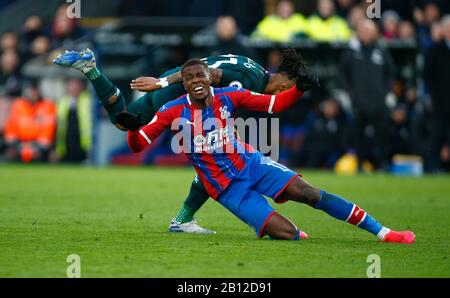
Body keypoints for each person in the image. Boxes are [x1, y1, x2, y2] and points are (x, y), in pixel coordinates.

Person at [125, 58, 414, 243]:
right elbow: (140, 145)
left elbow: (274, 105)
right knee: (288, 235)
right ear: (184, 84)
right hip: (227, 189)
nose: (196, 82)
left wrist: (299, 90)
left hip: (252, 164)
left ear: (209, 78)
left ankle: (383, 232)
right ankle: (275, 225)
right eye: (190, 79)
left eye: (200, 76)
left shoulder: (230, 96)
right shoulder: (170, 111)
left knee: (311, 194)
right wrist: (131, 131)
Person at [53, 48, 308, 234]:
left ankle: (91, 70)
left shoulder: (253, 66)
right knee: (212, 160)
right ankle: (183, 219)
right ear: (285, 83)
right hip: (179, 97)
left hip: (173, 83)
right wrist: (162, 83)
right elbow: (212, 74)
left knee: (124, 121)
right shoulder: (251, 80)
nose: (281, 94)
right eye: (286, 90)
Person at [339, 19, 396, 171]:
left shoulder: (381, 50)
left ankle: (383, 164)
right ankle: (360, 165)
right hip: (359, 101)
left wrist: (384, 92)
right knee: (359, 135)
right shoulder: (352, 51)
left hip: (378, 102)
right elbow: (343, 74)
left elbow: (391, 73)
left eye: (369, 31)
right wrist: (351, 92)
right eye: (363, 31)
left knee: (382, 134)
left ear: (374, 33)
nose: (366, 34)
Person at [3, 80, 56, 163]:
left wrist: (35, 147)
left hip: (40, 147)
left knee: (48, 155)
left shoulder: (48, 105)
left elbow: (48, 132)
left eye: (34, 90)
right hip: (18, 145)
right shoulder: (17, 104)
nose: (32, 93)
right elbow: (10, 129)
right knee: (9, 153)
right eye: (30, 90)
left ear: (39, 91)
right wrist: (19, 146)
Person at [424, 15, 450, 172]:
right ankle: (432, 167)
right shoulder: (434, 49)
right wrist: (433, 95)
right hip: (440, 101)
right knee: (437, 135)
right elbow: (427, 75)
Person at [54, 78, 93, 163]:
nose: (74, 88)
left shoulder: (89, 99)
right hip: (66, 144)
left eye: (76, 85)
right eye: (71, 85)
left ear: (82, 87)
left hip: (83, 144)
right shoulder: (63, 101)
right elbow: (58, 124)